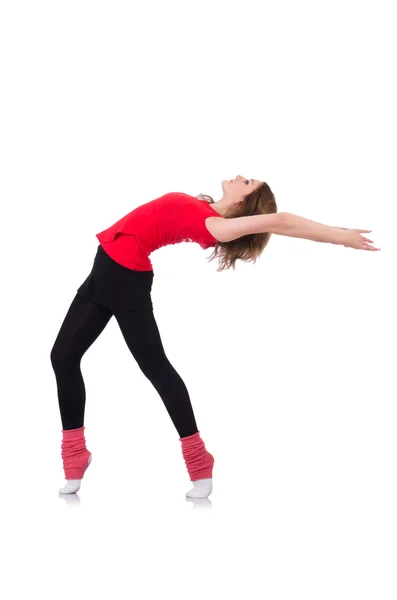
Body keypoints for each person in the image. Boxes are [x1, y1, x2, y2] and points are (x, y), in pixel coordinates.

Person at [50, 175, 379, 498]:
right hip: (105, 269)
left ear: (242, 203)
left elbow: (283, 221)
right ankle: (75, 454)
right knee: (63, 357)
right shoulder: (204, 207)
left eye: (247, 183)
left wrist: (341, 236)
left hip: (124, 280)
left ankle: (197, 461)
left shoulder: (216, 225)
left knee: (156, 369)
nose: (240, 176)